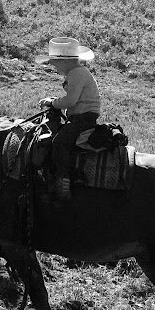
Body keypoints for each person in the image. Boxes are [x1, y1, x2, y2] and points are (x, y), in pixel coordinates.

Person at [36, 37, 100, 203]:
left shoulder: (77, 74)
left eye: (55, 63)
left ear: (64, 62)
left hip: (83, 118)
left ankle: (62, 181)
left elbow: (71, 101)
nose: (54, 67)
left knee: (59, 142)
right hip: (82, 116)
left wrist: (52, 102)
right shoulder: (78, 72)